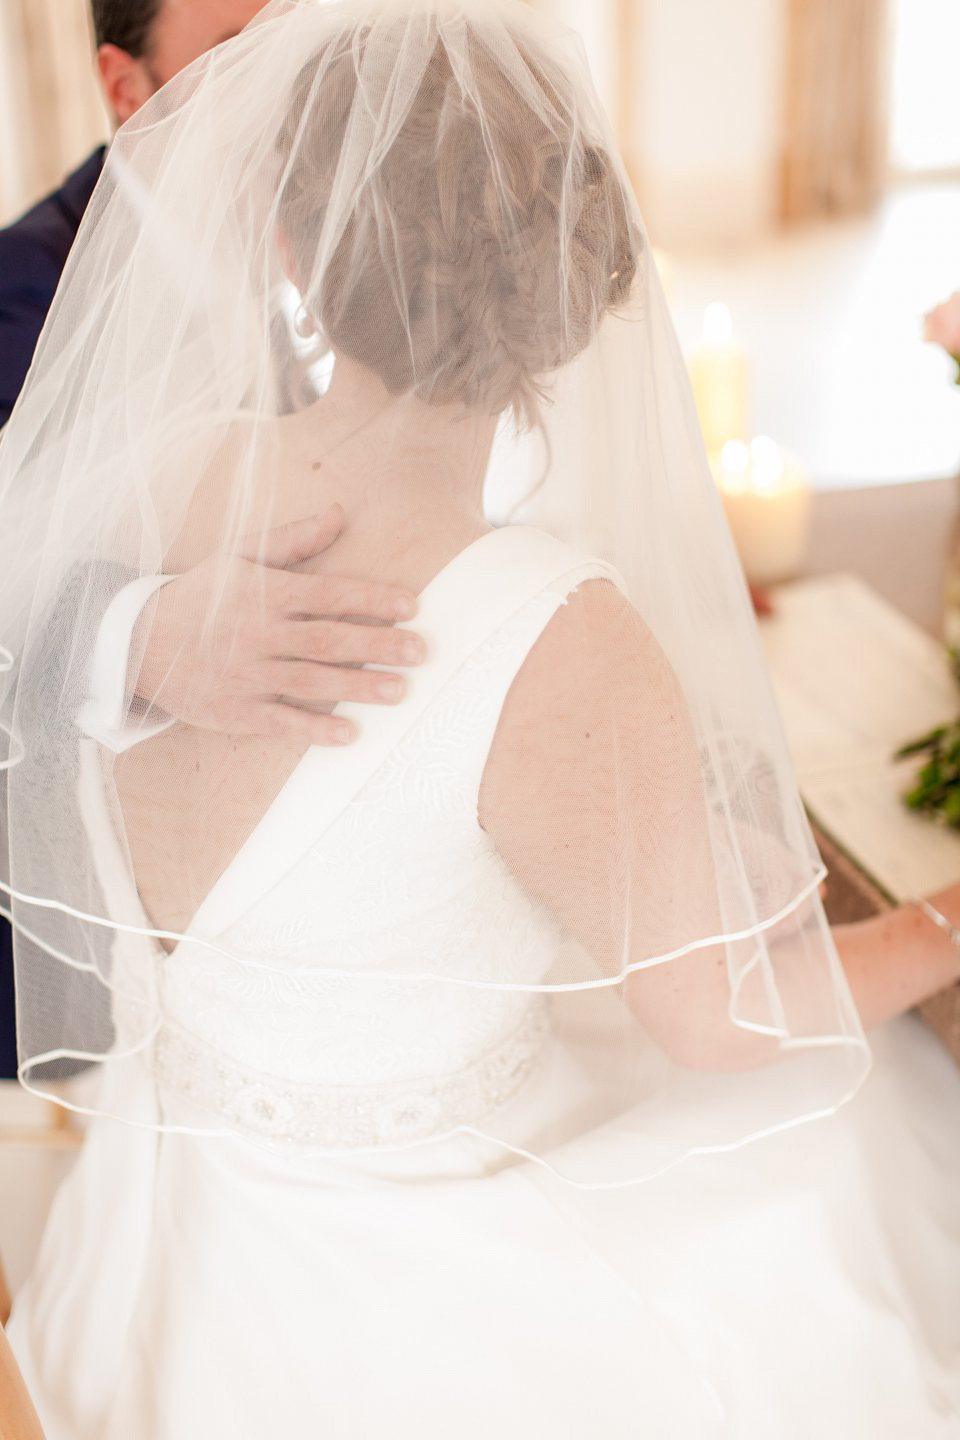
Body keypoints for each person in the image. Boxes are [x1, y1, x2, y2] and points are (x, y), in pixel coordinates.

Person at [1, 2, 959, 1434]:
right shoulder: (557, 623)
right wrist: (941, 925)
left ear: (289, 248)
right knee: (865, 1134)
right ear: (588, 283)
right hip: (408, 1308)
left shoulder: (163, 477)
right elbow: (715, 1018)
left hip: (176, 1247)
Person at [0, 0, 427, 1080]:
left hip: (292, 867)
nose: (292, 86)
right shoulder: (19, 298)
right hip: (70, 931)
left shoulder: (337, 236)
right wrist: (135, 638)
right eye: (242, 57)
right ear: (124, 87)